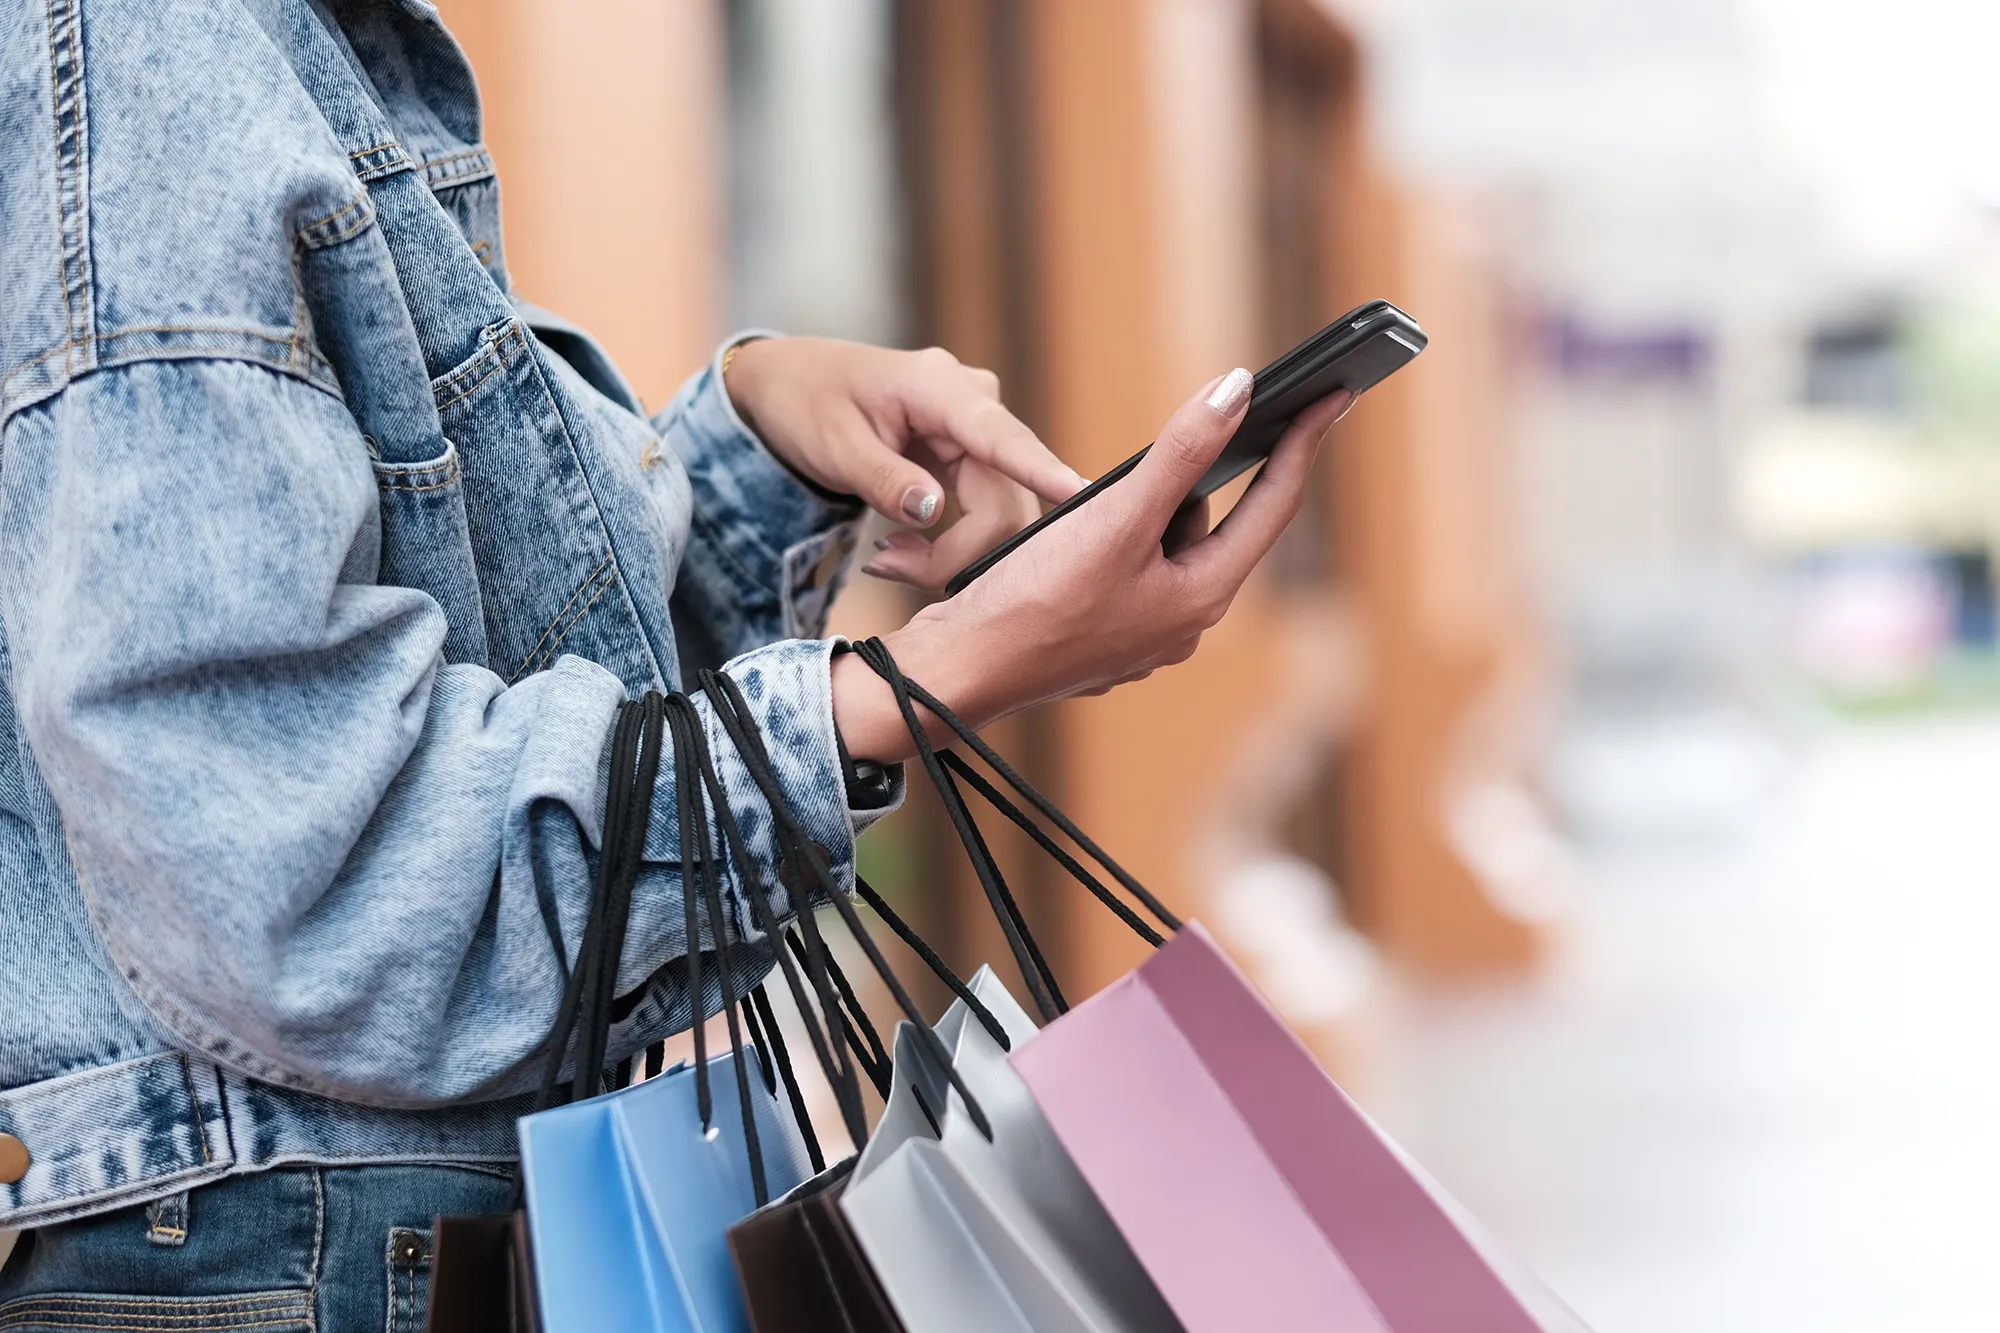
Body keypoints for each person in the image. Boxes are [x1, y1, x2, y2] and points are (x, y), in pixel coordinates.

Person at [0, 0, 1353, 1324]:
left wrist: (750, 448)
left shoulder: (306, 50)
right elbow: (295, 876)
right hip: (304, 1255)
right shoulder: (145, 47)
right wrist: (915, 682)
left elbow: (485, 701)